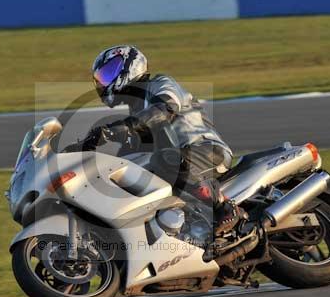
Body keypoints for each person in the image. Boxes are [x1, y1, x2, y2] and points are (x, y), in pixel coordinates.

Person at [83, 45, 241, 238]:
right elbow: (127, 158)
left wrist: (116, 129)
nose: (103, 83)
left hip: (207, 151)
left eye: (108, 74)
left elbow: (164, 109)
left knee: (166, 159)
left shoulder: (159, 84)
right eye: (100, 79)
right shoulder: (136, 110)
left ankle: (224, 207)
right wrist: (90, 155)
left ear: (130, 66)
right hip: (177, 161)